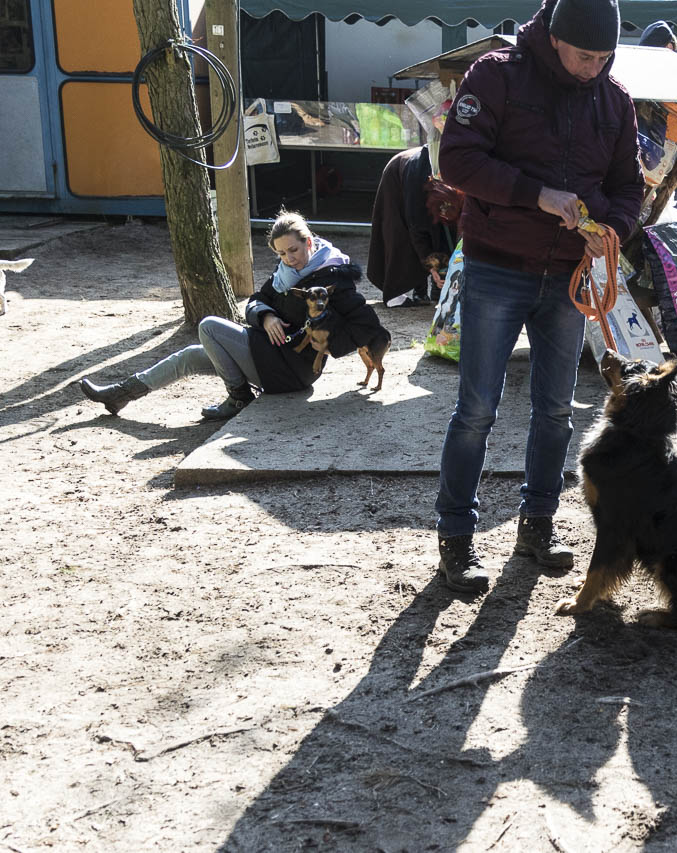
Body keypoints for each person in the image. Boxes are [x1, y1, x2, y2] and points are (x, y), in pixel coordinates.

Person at [432, 0, 645, 594]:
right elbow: (458, 160)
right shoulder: (496, 74)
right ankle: (456, 535)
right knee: (477, 409)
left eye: (605, 58)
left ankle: (538, 525)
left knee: (557, 410)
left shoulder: (615, 100)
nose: (594, 68)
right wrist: (537, 194)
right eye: (585, 56)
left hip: (569, 275)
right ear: (554, 38)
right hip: (497, 265)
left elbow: (629, 187)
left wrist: (613, 229)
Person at [80, 211, 387, 420]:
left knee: (209, 327)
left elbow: (367, 325)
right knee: (190, 355)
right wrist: (265, 316)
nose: (289, 259)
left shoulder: (333, 278)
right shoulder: (285, 274)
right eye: (281, 253)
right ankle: (121, 394)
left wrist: (329, 342)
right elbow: (257, 300)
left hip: (292, 367)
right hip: (266, 352)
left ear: (309, 242)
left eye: (293, 250)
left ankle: (239, 397)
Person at [367, 145, 455, 307]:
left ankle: (437, 287)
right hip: (400, 177)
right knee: (401, 234)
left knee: (440, 232)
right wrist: (431, 267)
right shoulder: (418, 189)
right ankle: (400, 293)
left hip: (434, 183)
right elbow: (417, 231)